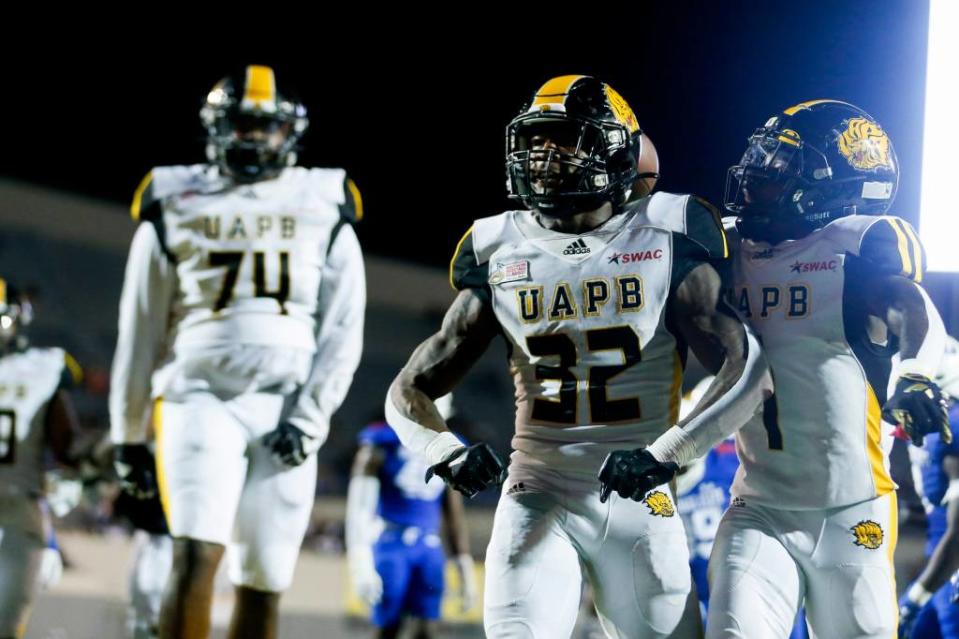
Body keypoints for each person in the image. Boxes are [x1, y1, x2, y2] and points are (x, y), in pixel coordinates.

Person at [387, 74, 767, 638]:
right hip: (536, 489)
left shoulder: (665, 234)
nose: (543, 155)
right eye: (535, 141)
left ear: (615, 151)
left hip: (640, 496)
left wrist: (669, 453)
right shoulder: (498, 247)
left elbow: (750, 368)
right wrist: (444, 448)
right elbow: (411, 386)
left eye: (564, 138)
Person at [606, 99, 950, 638]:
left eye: (779, 168)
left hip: (853, 513)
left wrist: (915, 375)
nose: (754, 177)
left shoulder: (853, 250)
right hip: (757, 509)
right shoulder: (727, 245)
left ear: (830, 186)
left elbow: (912, 308)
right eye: (762, 160)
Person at [109, 64, 365, 639]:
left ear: (289, 135)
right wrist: (127, 432)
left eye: (264, 127)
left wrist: (310, 416)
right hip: (197, 396)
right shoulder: (174, 197)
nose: (252, 138)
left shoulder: (325, 200)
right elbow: (140, 327)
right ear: (216, 128)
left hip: (286, 404)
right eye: (242, 125)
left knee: (266, 577)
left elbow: (344, 329)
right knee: (197, 553)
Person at [346, 394, 477, 639]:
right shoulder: (381, 443)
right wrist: (359, 559)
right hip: (389, 541)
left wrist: (464, 565)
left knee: (428, 629)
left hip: (429, 545)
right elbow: (360, 507)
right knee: (389, 627)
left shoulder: (452, 450)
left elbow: (453, 512)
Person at [0, 278, 81, 639]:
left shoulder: (44, 368)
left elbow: (69, 449)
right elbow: (71, 450)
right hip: (20, 513)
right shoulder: (44, 368)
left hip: (21, 513)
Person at [899, 336, 959, 638]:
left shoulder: (953, 428)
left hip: (951, 573)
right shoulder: (935, 427)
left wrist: (917, 595)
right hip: (940, 570)